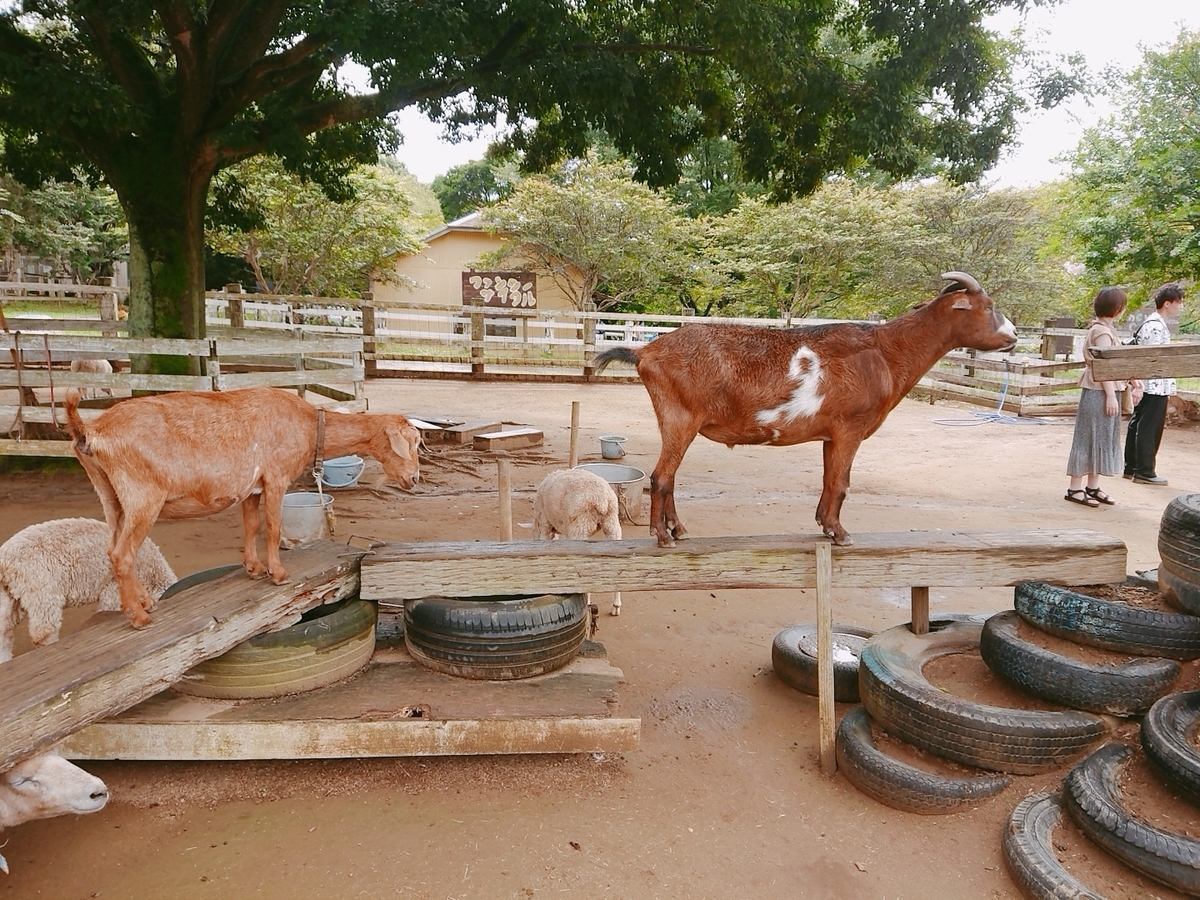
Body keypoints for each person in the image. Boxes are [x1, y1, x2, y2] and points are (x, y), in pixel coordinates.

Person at [1066, 286, 1135, 508]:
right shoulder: (1102, 332)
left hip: (1104, 390)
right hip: (1099, 391)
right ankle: (1075, 488)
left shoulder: (1105, 329)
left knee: (1101, 438)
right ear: (1116, 308)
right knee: (1089, 438)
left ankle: (1092, 486)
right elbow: (1103, 366)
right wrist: (1110, 396)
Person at [1124, 282, 1186, 485]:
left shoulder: (1152, 323)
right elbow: (1151, 358)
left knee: (1139, 423)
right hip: (1154, 385)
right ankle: (1144, 470)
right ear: (1167, 304)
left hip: (1147, 384)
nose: (1181, 306)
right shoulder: (1156, 327)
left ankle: (1132, 466)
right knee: (1150, 427)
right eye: (1179, 302)